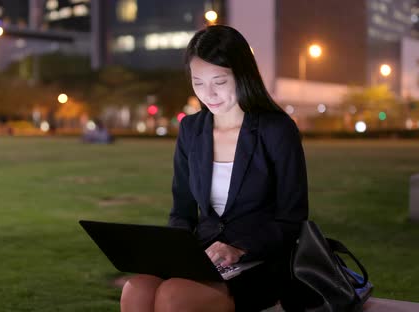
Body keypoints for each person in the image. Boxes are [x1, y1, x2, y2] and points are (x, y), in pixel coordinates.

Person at [120, 25, 308, 312]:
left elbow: (292, 219)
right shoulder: (191, 129)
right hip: (203, 256)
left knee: (173, 296)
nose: (208, 94)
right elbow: (181, 212)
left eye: (219, 81)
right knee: (136, 290)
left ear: (242, 76)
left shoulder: (276, 130)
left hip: (259, 261)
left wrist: (239, 248)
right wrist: (175, 253)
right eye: (198, 83)